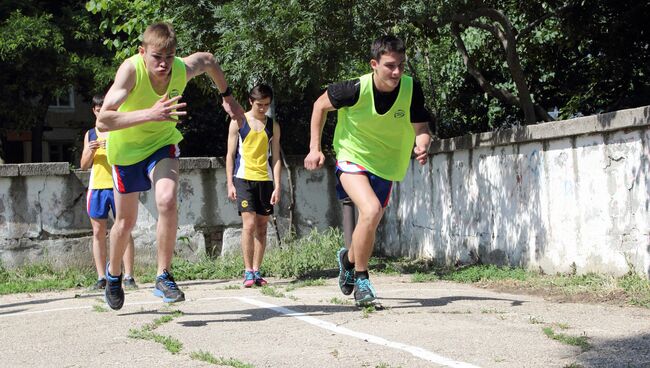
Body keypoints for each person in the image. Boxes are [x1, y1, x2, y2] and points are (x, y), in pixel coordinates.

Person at [97, 22, 245, 310]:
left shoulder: (180, 68)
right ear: (143, 52)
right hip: (126, 152)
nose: (163, 64)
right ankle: (114, 275)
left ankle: (163, 276)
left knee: (166, 200)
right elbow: (103, 120)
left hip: (162, 145)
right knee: (125, 223)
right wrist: (150, 114)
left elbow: (208, 61)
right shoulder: (131, 71)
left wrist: (227, 97)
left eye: (169, 56)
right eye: (156, 57)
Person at [304, 35, 432, 306]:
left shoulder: (411, 88)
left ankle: (348, 259)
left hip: (386, 164)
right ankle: (362, 279)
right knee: (371, 210)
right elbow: (319, 106)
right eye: (389, 66)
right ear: (374, 64)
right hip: (352, 156)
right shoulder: (353, 89)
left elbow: (420, 128)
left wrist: (422, 144)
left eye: (401, 65)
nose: (397, 72)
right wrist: (315, 148)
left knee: (370, 221)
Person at [226, 84, 281, 287]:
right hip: (243, 179)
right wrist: (230, 182)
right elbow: (230, 155)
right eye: (259, 104)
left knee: (262, 228)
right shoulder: (239, 122)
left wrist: (277, 185)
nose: (263, 108)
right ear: (251, 101)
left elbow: (275, 158)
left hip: (265, 180)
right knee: (248, 225)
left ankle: (257, 271)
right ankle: (247, 271)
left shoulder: (273, 125)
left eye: (266, 105)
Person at [80, 95, 138, 291]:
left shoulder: (118, 130)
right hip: (97, 186)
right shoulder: (90, 134)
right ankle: (101, 277)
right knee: (98, 232)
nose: (99, 111)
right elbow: (83, 165)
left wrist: (112, 147)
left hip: (118, 186)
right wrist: (91, 150)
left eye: (102, 107)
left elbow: (130, 155)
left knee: (124, 229)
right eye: (97, 108)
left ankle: (129, 275)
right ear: (94, 111)